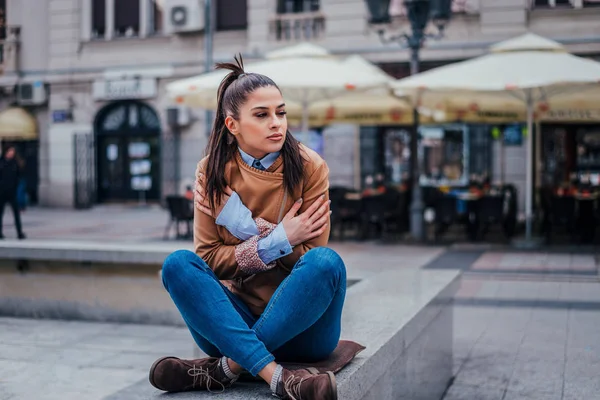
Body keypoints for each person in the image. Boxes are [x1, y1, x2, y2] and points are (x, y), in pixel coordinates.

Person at [149, 56, 344, 400]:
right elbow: (207, 259)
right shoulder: (211, 171)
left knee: (327, 263)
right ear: (232, 124)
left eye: (281, 113)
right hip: (230, 323)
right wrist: (279, 238)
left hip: (305, 329)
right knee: (178, 265)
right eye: (262, 114)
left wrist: (245, 225)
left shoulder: (310, 166)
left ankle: (223, 370)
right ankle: (280, 378)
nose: (276, 124)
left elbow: (310, 260)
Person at [0, 145, 26, 239]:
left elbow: (19, 176)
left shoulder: (15, 163)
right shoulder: (1, 162)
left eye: (13, 151)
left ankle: (19, 232)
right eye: (10, 151)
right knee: (0, 213)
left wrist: (16, 187)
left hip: (12, 192)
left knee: (16, 213)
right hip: (2, 192)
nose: (11, 153)